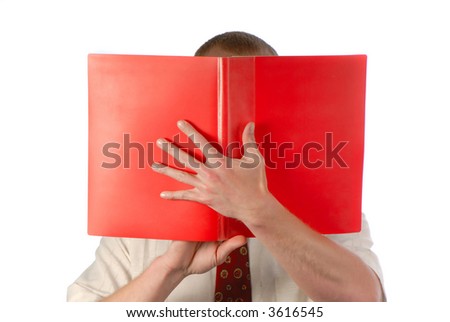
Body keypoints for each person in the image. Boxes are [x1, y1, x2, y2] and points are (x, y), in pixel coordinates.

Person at [67, 31, 384, 302]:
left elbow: (368, 302)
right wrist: (170, 269)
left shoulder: (326, 204)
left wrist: (259, 210)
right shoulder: (143, 210)